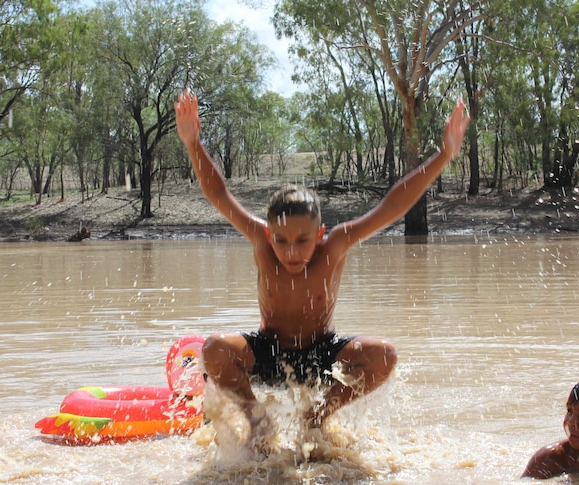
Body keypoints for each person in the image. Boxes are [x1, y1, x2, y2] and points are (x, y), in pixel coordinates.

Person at [174, 89, 470, 445]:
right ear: (269, 235)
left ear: (320, 234)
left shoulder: (338, 243)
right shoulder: (259, 239)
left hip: (322, 353)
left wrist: (444, 155)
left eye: (303, 240)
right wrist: (193, 143)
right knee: (214, 349)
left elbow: (391, 207)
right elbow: (220, 196)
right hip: (269, 352)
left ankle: (317, 416)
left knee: (384, 356)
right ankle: (257, 420)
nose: (291, 251)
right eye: (281, 241)